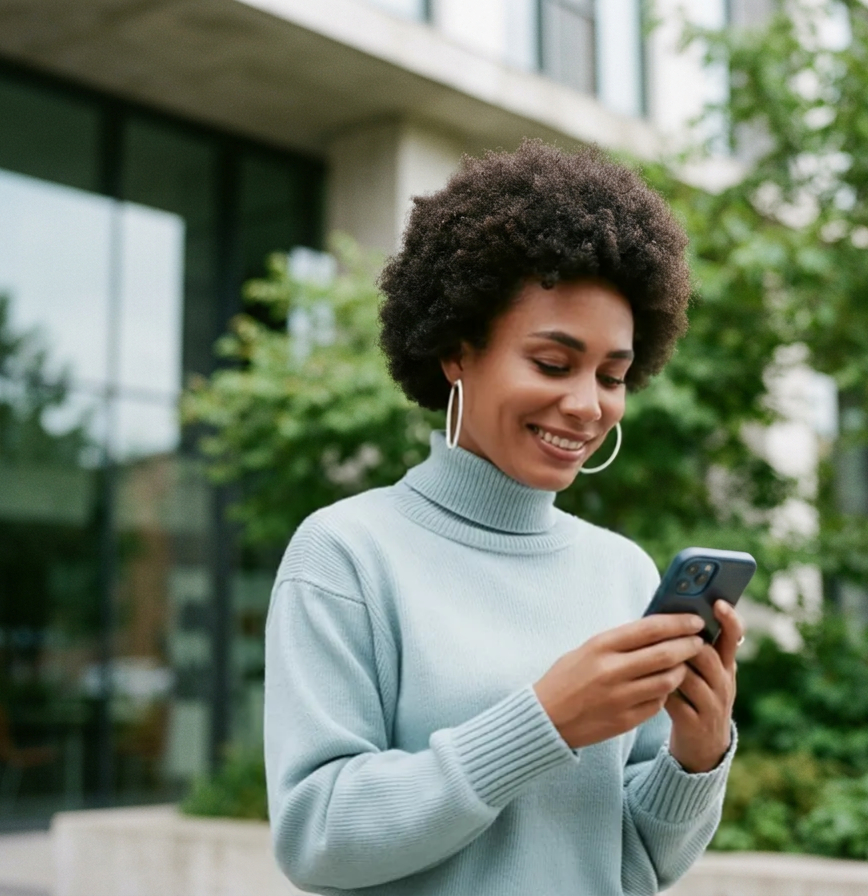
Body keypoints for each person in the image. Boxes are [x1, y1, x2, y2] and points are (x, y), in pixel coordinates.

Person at [264, 139, 742, 896]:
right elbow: (317, 837)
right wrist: (544, 722)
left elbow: (634, 864)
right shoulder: (346, 552)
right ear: (457, 352)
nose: (586, 405)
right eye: (553, 364)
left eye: (612, 375)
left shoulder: (622, 571)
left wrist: (697, 755)